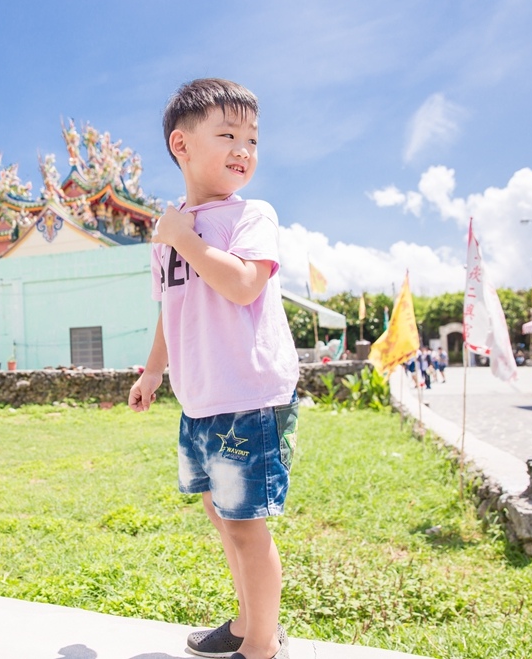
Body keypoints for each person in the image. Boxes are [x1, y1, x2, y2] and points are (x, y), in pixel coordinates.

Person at [128, 78, 296, 659]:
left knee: (247, 526)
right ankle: (250, 625)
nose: (243, 149)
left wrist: (186, 238)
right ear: (182, 145)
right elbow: (168, 312)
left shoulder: (250, 215)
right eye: (227, 134)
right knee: (221, 515)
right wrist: (153, 373)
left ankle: (262, 649)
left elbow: (244, 284)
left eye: (252, 138)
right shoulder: (169, 231)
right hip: (200, 399)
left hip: (248, 394)